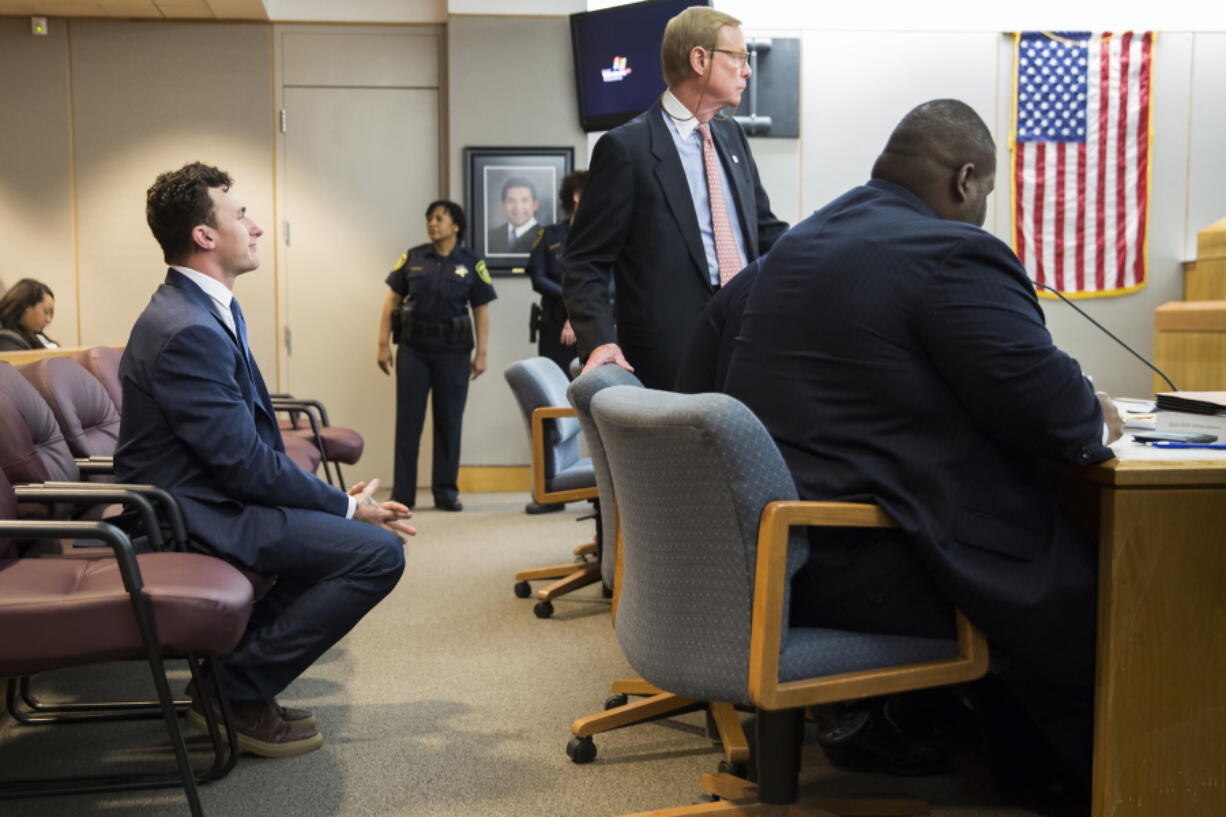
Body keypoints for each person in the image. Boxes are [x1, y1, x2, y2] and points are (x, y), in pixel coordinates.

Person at [723, 100, 1123, 800]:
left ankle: (988, 754)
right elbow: (1062, 418)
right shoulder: (948, 251)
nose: (984, 213)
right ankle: (1099, 784)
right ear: (967, 179)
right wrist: (1097, 409)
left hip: (782, 554)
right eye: (988, 195)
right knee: (1111, 587)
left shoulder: (804, 240)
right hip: (864, 562)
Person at [117, 161, 413, 758]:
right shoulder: (185, 329)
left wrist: (335, 507)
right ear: (204, 236)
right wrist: (345, 507)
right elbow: (245, 464)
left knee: (349, 539)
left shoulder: (205, 309)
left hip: (214, 498)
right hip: (189, 516)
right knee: (377, 554)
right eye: (241, 215)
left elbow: (246, 450)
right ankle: (233, 692)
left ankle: (233, 680)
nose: (254, 227)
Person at [562, 6, 787, 390]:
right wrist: (600, 340)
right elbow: (585, 261)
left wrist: (825, 252)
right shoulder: (626, 148)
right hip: (668, 360)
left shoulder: (733, 138)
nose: (748, 71)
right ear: (700, 59)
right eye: (739, 57)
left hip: (748, 340)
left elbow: (765, 231)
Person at [377, 200, 496, 512]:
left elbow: (481, 310)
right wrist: (382, 344)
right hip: (413, 350)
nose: (432, 224)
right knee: (408, 422)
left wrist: (481, 353)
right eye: (429, 218)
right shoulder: (413, 257)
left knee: (449, 422)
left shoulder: (471, 262)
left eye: (440, 218)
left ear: (455, 225)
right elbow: (392, 300)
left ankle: (445, 492)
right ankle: (403, 494)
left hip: (454, 352)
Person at [527, 169, 588, 374]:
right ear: (577, 196)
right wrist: (570, 297)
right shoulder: (548, 235)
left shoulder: (604, 235)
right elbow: (538, 278)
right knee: (555, 386)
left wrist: (576, 313)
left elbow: (611, 283)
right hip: (553, 323)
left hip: (592, 323)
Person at [485, 176, 541, 255]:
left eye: (524, 200)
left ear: (535, 205)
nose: (518, 207)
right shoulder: (490, 237)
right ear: (503, 206)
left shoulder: (545, 237)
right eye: (511, 201)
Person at [0, 278, 59, 350]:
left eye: (51, 314)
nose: (48, 320)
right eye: (45, 312)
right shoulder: (7, 339)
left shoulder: (36, 335)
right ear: (25, 307)